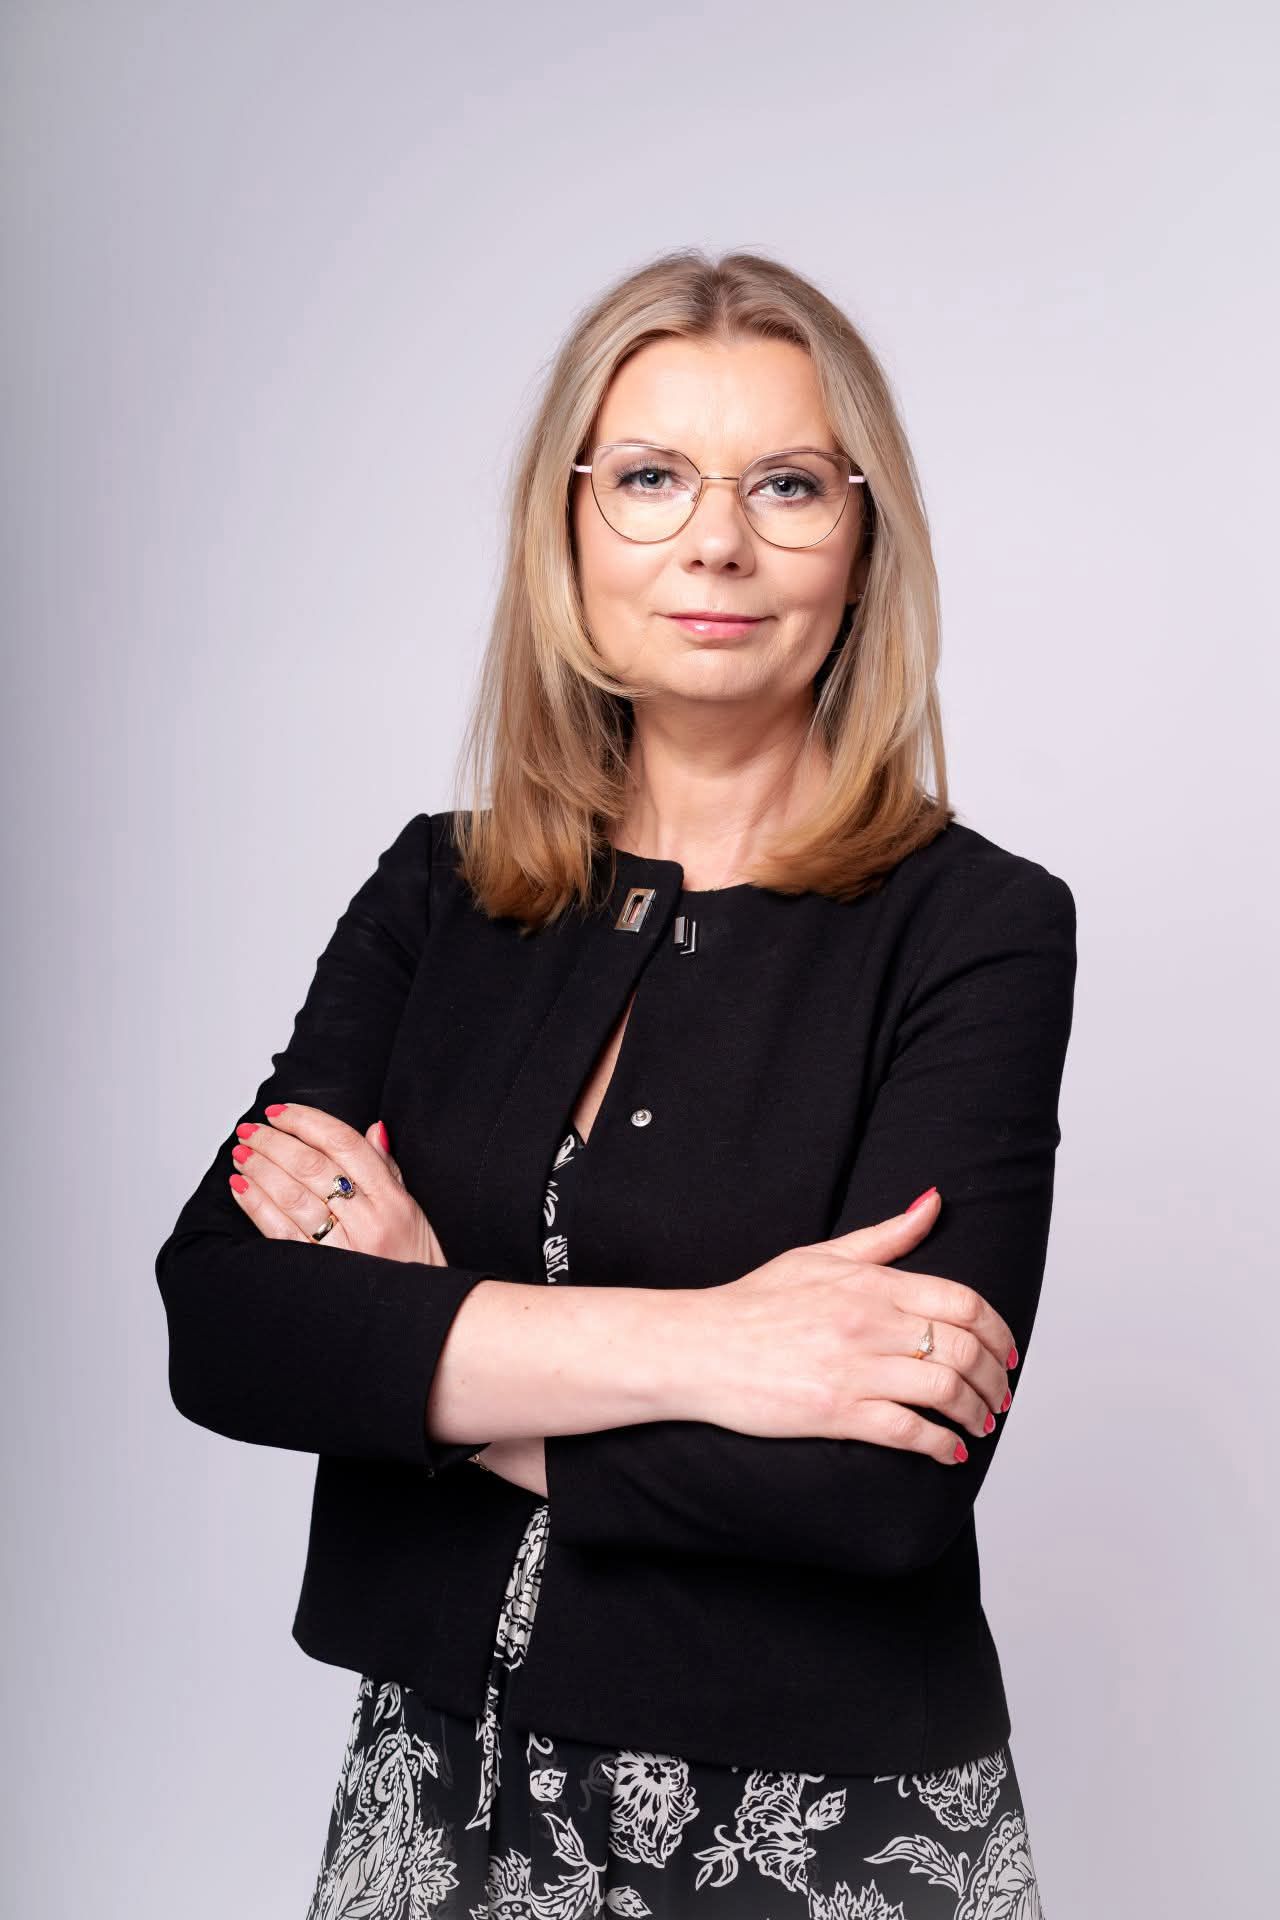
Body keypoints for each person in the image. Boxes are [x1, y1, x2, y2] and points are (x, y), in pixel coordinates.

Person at [155, 248, 1077, 1918]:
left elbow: (879, 1487)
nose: (716, 541)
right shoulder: (436, 892)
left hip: (828, 1836)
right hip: (437, 1799)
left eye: (786, 483)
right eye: (651, 478)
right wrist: (724, 1347)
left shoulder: (980, 928)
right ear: (568, 527)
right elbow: (228, 1324)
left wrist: (419, 1345)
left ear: (863, 539)